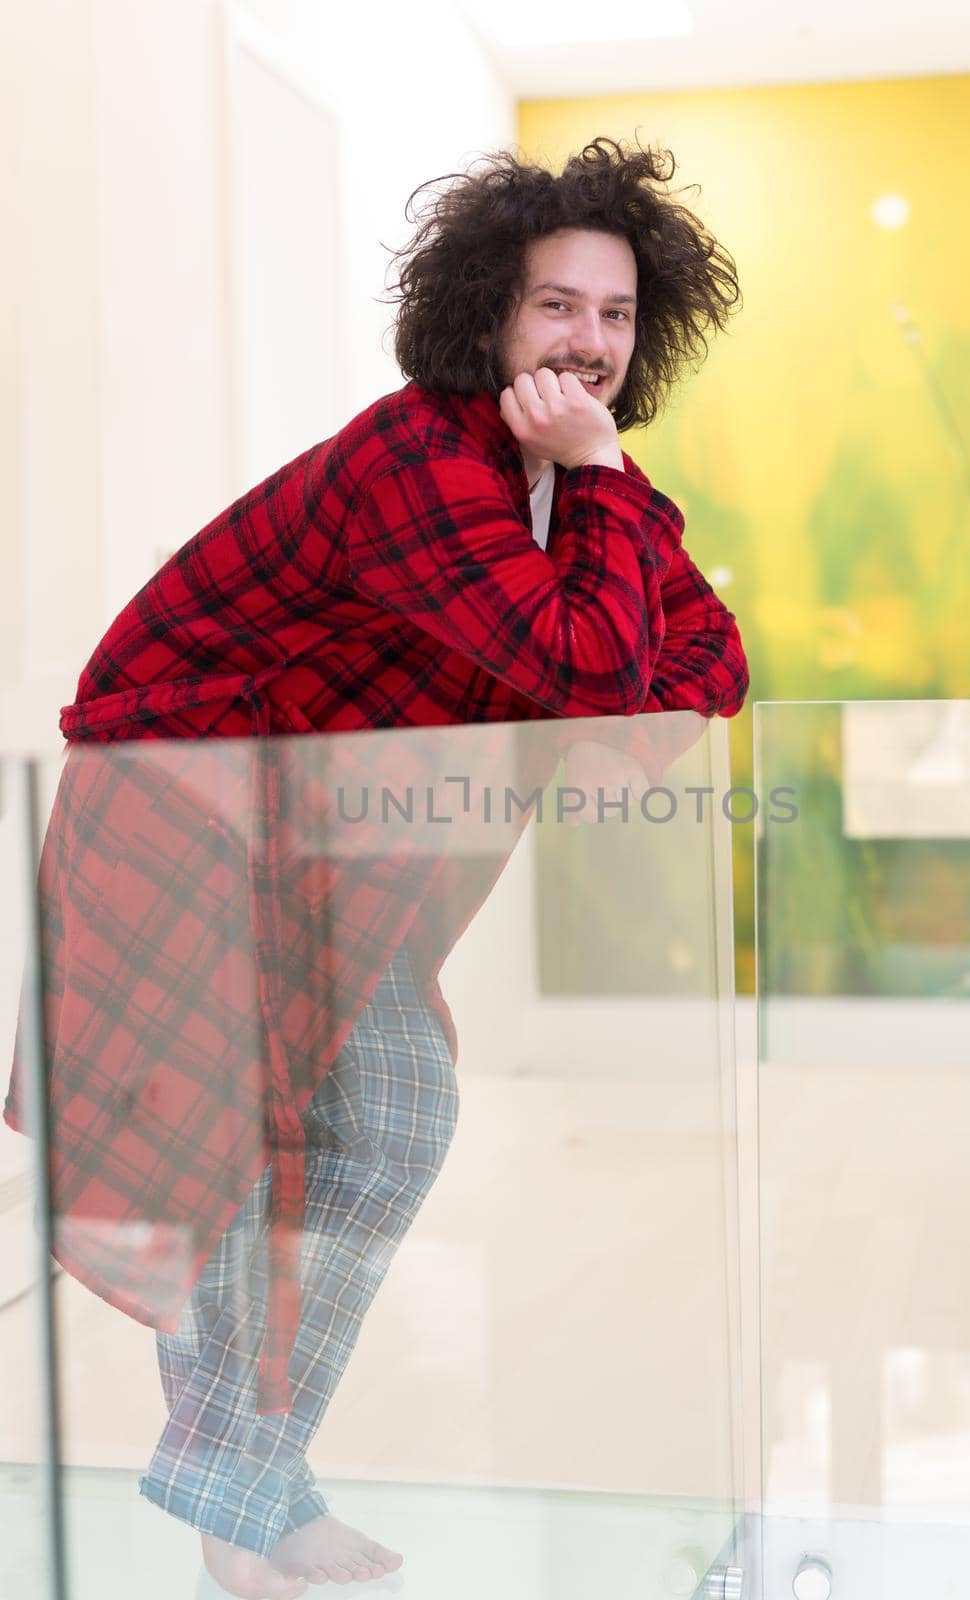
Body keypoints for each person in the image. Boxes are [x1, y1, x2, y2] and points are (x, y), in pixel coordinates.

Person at [4, 136, 748, 1598]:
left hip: (322, 852)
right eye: (557, 308)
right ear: (488, 318)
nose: (591, 343)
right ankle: (249, 1508)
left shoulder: (577, 481)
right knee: (229, 1164)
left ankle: (244, 1484)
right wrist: (601, 503)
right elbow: (593, 669)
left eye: (615, 314)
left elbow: (707, 663)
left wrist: (600, 498)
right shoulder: (422, 461)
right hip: (185, 815)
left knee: (393, 1117)